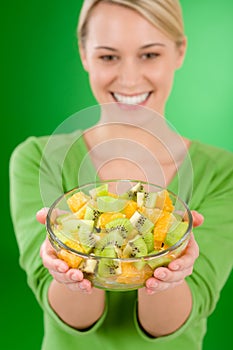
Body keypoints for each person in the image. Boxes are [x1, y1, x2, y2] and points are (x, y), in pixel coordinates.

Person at [10, 1, 233, 349]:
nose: (129, 78)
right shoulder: (38, 159)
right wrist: (67, 273)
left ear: (179, 52)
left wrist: (170, 275)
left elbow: (176, 321)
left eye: (149, 55)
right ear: (84, 55)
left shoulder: (222, 174)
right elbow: (71, 320)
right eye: (108, 57)